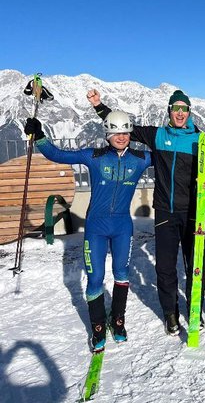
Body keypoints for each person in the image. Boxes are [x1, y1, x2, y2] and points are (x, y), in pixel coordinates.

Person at [24, 111, 151, 351]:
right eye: (115, 132)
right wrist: (39, 136)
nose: (121, 137)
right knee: (95, 278)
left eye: (125, 132)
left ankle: (118, 320)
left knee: (122, 273)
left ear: (130, 133)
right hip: (96, 228)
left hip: (123, 226)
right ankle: (98, 327)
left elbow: (173, 159)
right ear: (107, 134)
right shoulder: (94, 156)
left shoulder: (142, 159)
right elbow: (58, 154)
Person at [89, 89, 205, 336]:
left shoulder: (200, 139)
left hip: (192, 212)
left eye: (184, 109)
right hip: (165, 211)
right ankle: (171, 314)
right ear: (169, 111)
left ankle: (194, 309)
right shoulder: (158, 135)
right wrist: (99, 105)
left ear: (189, 112)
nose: (179, 113)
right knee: (165, 267)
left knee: (196, 264)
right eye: (175, 108)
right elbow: (122, 126)